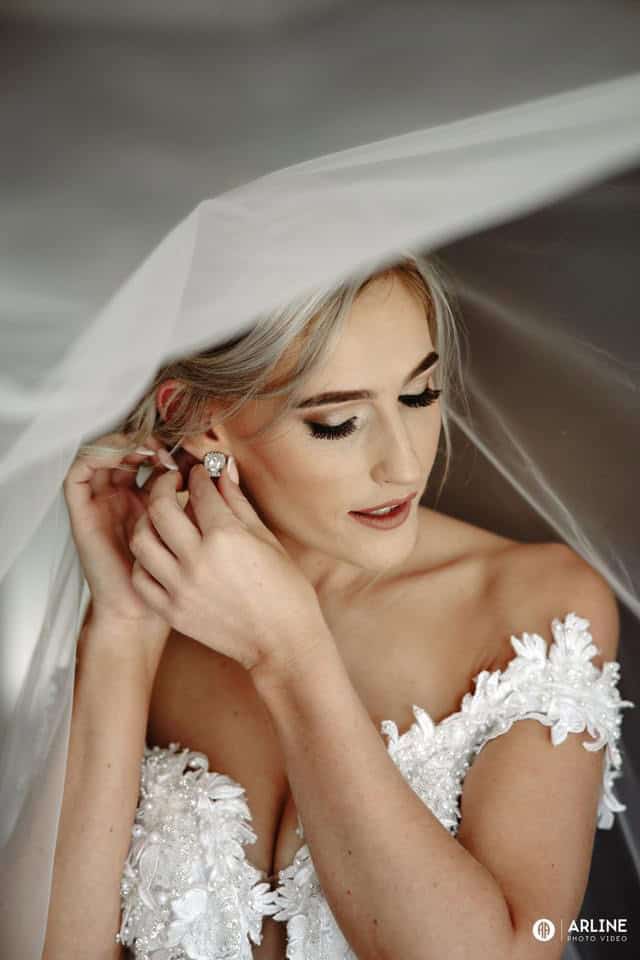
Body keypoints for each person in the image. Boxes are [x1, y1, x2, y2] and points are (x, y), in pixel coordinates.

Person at [42, 255, 634, 960]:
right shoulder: (139, 611)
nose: (405, 465)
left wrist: (293, 655)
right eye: (339, 422)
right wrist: (121, 634)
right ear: (198, 420)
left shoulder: (536, 608)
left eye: (419, 395)